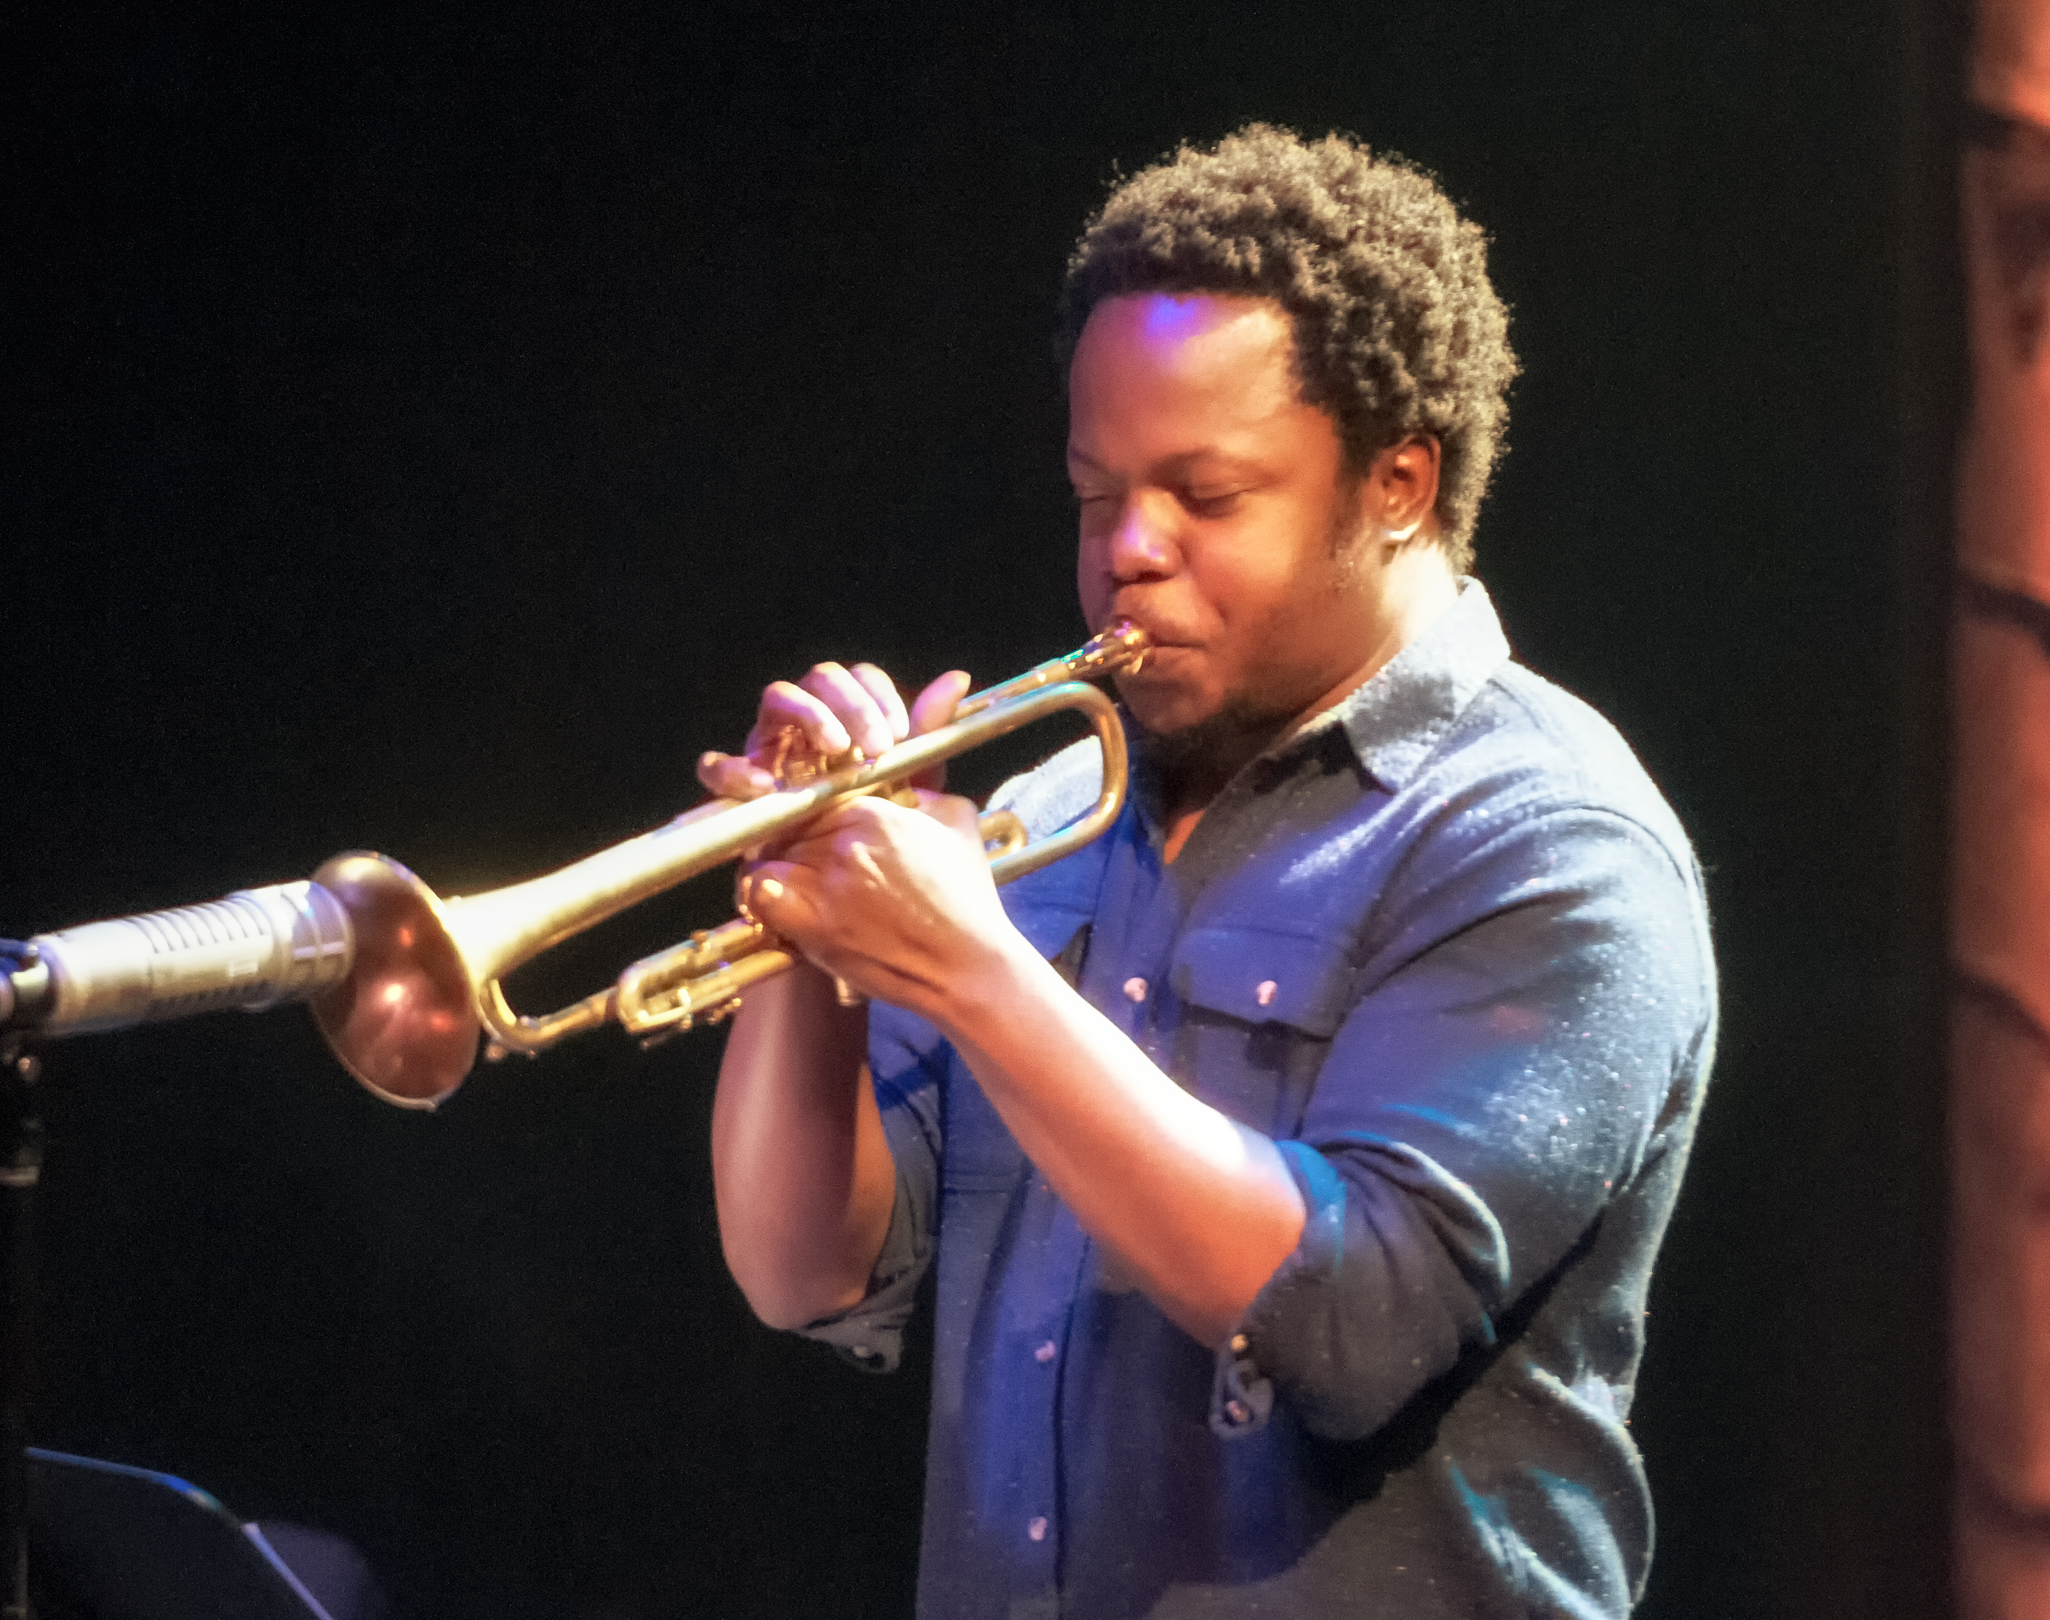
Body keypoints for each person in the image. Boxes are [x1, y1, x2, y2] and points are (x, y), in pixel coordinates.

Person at [700, 126, 1715, 1619]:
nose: (1129, 551)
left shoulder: (1547, 841)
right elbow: (806, 1273)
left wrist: (973, 977)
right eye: (1097, 492)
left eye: (1208, 495)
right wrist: (811, 933)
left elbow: (1345, 1319)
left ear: (1399, 486)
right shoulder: (1053, 816)